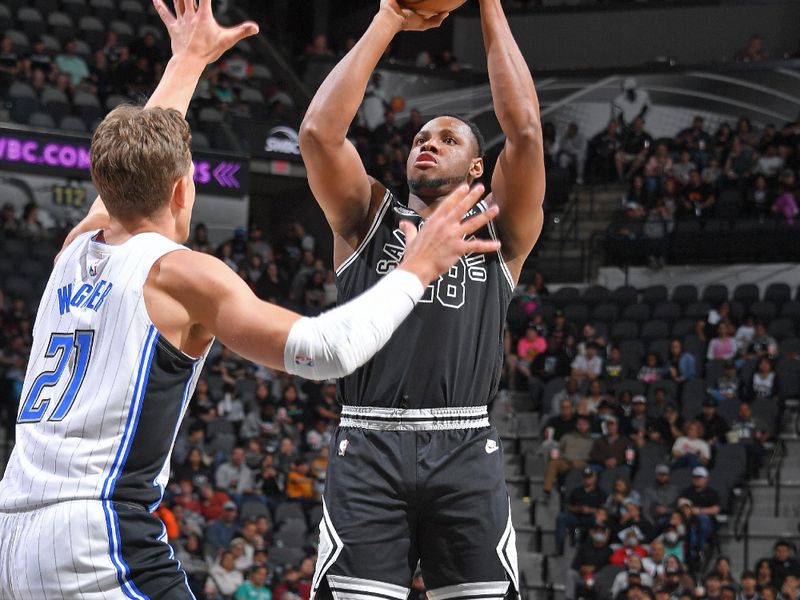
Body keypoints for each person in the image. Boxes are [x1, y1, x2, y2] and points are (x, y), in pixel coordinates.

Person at [0, 3, 504, 598]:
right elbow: (327, 350)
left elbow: (135, 160)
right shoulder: (182, 276)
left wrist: (188, 58)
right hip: (97, 537)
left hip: (13, 533)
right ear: (185, 189)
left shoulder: (74, 249)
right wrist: (417, 267)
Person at [299, 0, 545, 595]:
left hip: (465, 441)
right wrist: (389, 17)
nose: (427, 144)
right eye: (419, 138)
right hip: (370, 440)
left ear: (477, 164)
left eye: (447, 138)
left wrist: (487, 4)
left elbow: (527, 131)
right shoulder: (367, 218)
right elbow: (317, 134)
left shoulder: (500, 229)